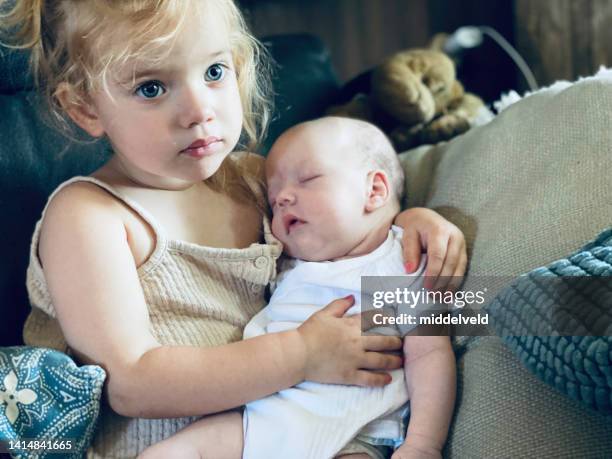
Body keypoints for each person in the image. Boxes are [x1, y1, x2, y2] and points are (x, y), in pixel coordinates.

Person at [0, 1, 466, 457]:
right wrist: (301, 354)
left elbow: (343, 219)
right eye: (151, 88)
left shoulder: (256, 182)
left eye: (214, 72)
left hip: (287, 435)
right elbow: (132, 383)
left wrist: (407, 221)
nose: (199, 110)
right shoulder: (89, 217)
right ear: (86, 108)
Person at [140, 117, 456, 459]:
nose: (285, 199)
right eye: (274, 200)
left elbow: (431, 353)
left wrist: (423, 443)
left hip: (350, 434)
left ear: (374, 191)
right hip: (258, 424)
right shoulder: (285, 261)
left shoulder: (399, 264)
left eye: (308, 179)